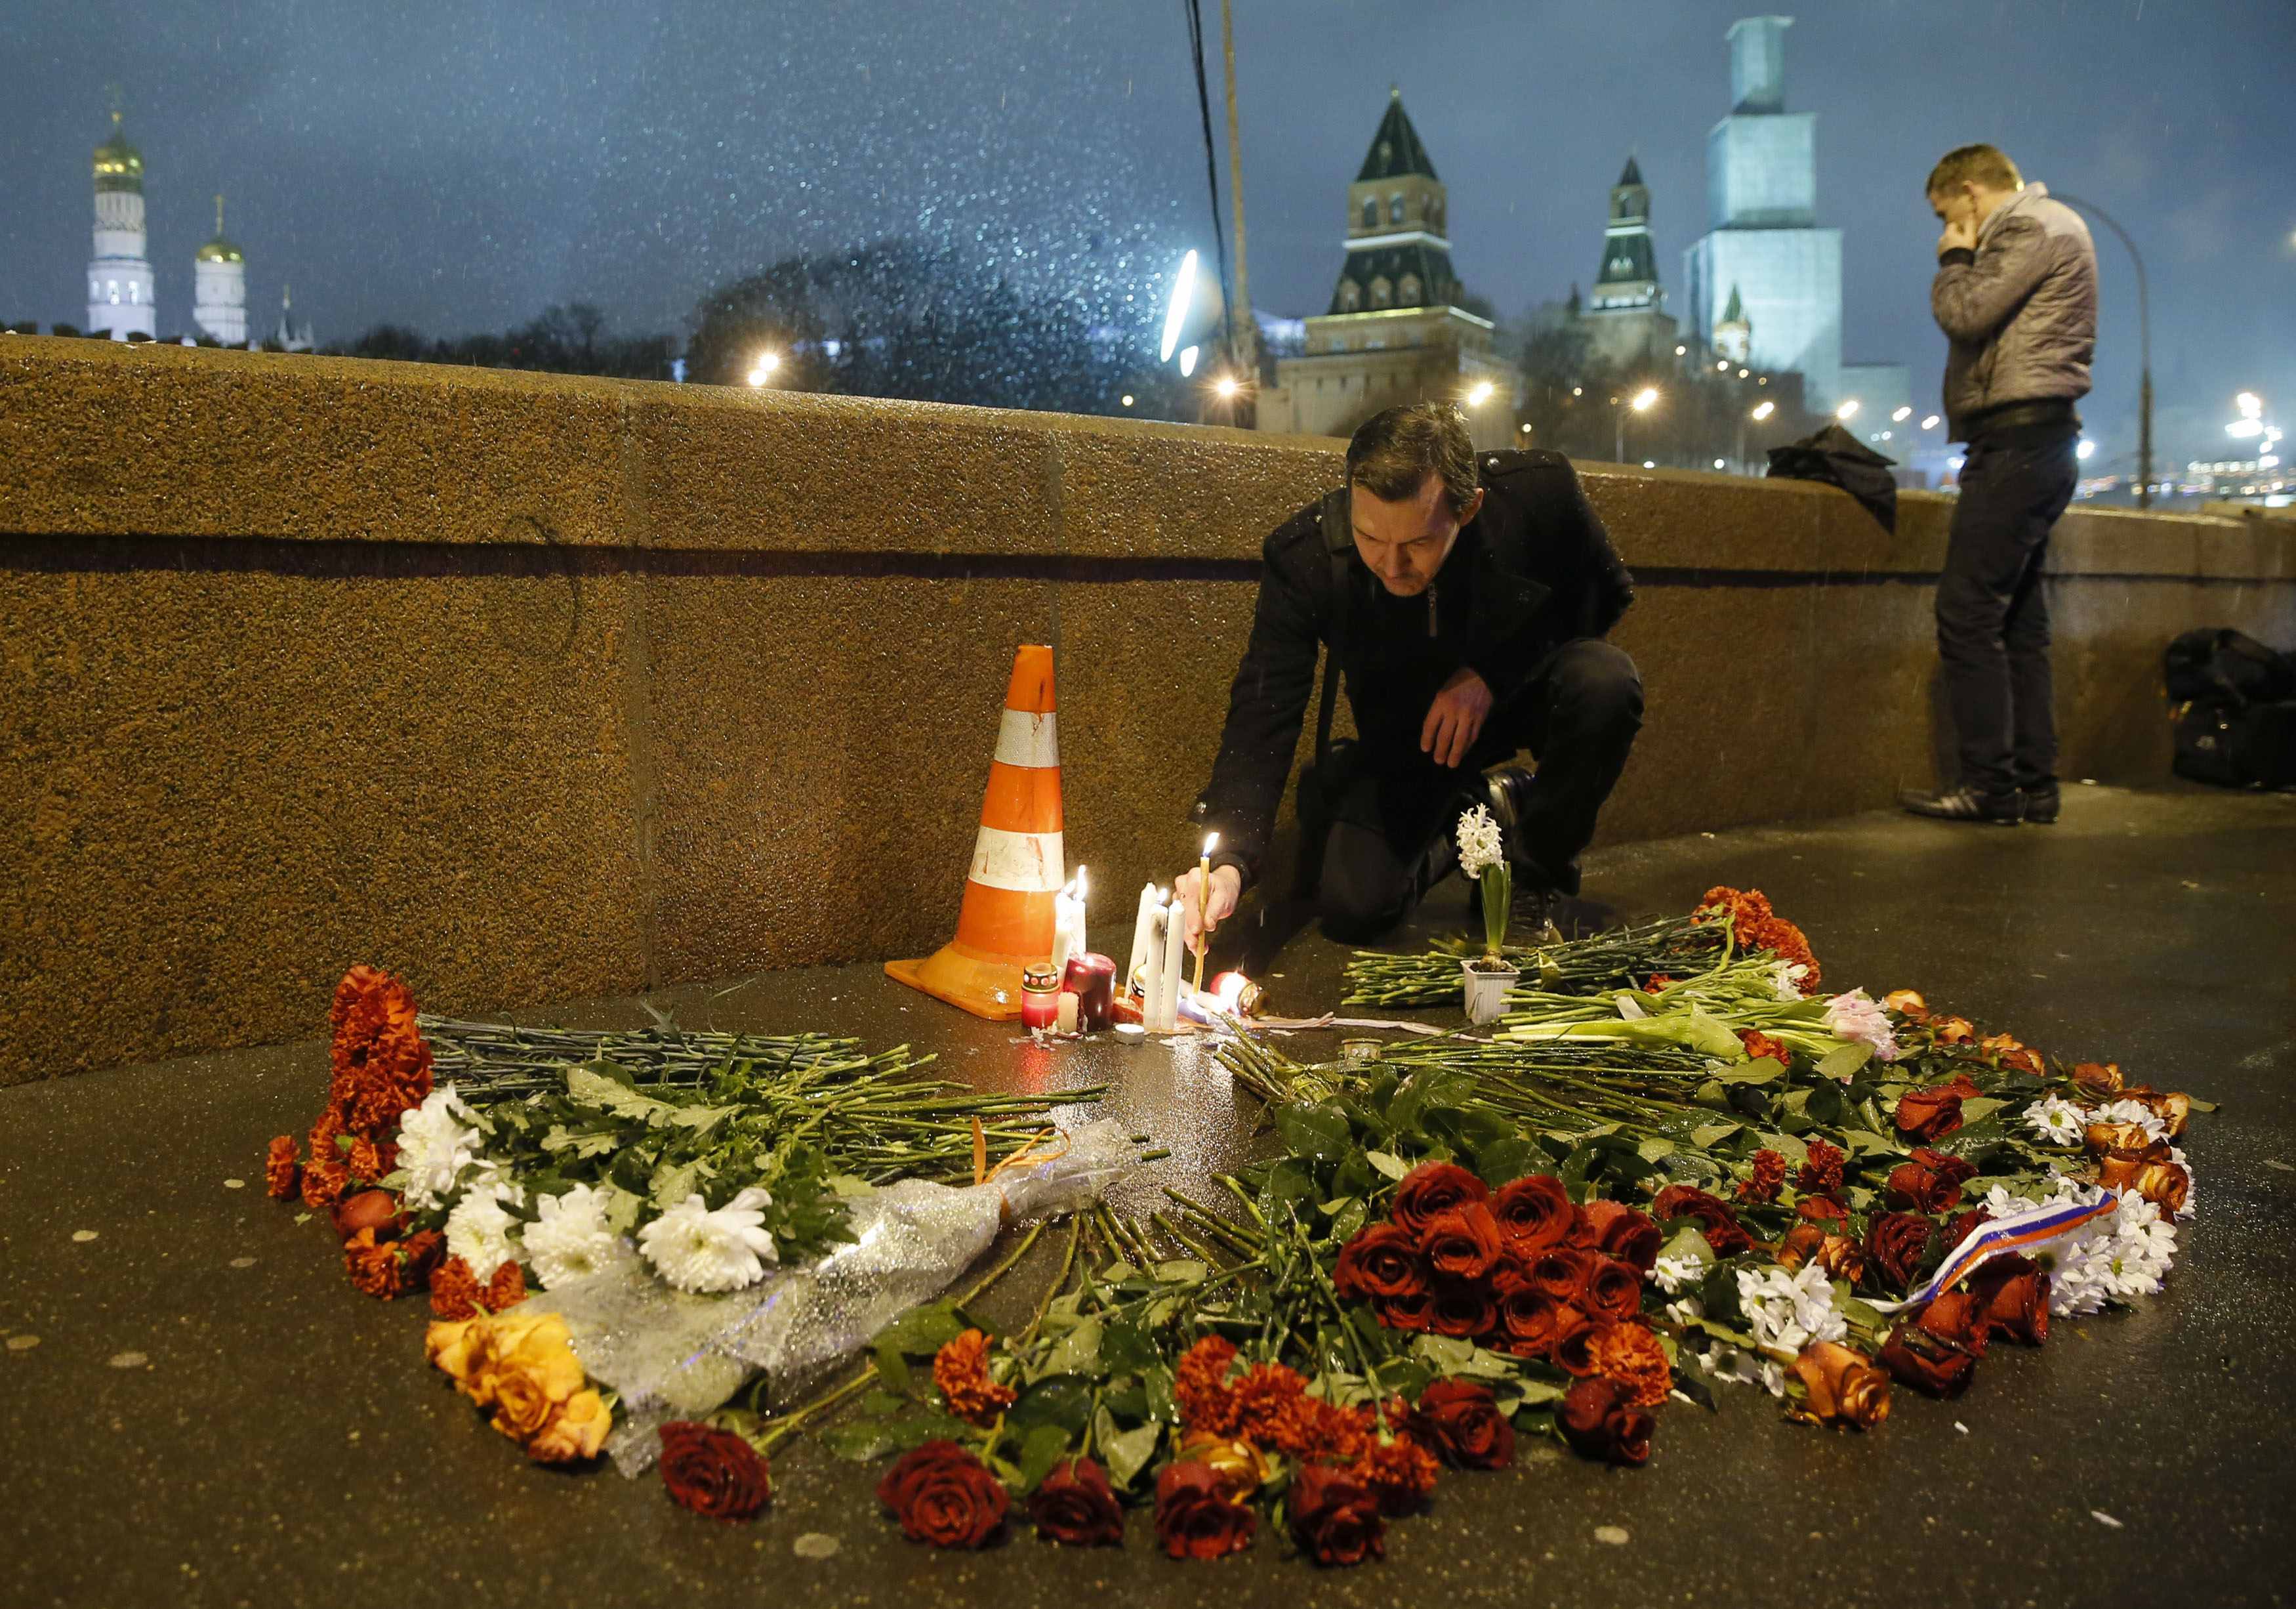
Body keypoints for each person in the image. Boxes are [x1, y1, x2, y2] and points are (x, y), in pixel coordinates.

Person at [1173, 402, 1641, 952]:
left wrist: (1490, 675)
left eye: (1417, 544)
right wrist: (1230, 862)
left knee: (1605, 682)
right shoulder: (1304, 558)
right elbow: (1264, 711)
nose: (1392, 567)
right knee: (1356, 907)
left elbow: (1605, 597)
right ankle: (1488, 808)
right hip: (1406, 737)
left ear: (1469, 510)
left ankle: (1537, 869)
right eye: (1371, 538)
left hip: (1519, 695)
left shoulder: (1539, 493)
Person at [1900, 144, 2097, 825]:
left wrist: (1954, 257)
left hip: (2016, 441)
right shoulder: (2055, 227)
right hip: (2040, 441)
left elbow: (1966, 314)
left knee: (1965, 614)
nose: (1948, 226)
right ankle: (2034, 788)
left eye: (1947, 212)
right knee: (2018, 623)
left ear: (1969, 190)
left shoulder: (2026, 227)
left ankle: (1988, 786)